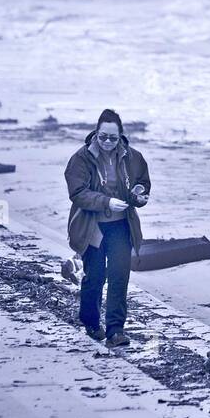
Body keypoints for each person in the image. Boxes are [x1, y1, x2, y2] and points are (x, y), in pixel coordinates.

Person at [64, 108, 151, 346]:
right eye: (103, 137)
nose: (108, 142)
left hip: (121, 226)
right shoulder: (80, 158)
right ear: (96, 133)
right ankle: (91, 323)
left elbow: (142, 183)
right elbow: (77, 193)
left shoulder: (134, 157)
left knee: (119, 278)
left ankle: (115, 331)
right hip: (92, 227)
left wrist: (139, 196)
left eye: (113, 138)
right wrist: (107, 202)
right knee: (95, 278)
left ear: (120, 135)